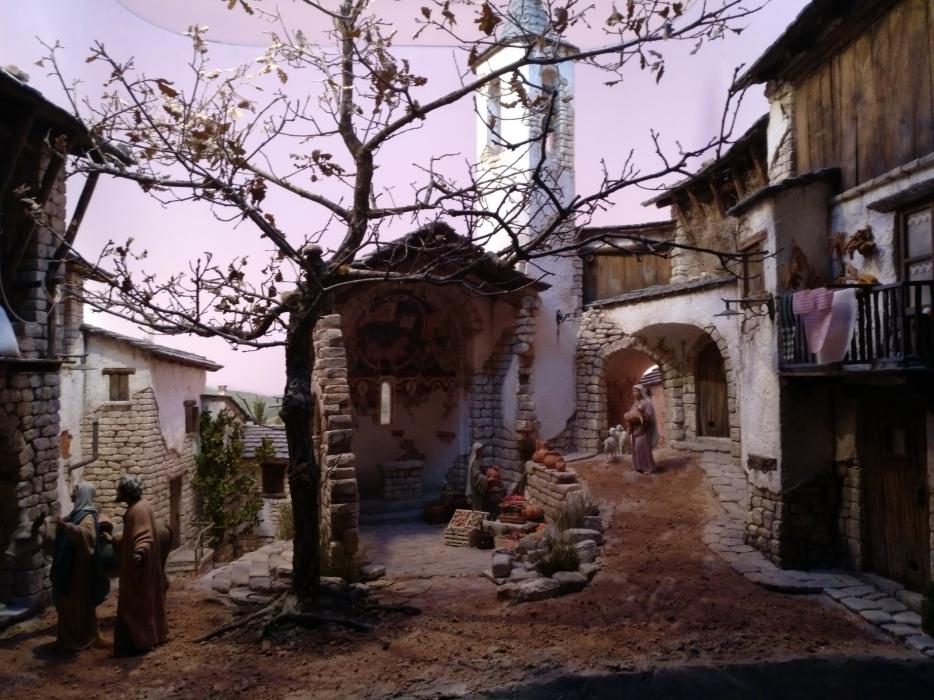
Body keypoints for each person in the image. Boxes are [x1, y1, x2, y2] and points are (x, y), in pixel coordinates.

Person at [111, 474, 169, 656]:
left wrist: (139, 552)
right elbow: (133, 534)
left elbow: (144, 536)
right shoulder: (139, 506)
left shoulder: (139, 510)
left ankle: (141, 640)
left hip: (138, 570)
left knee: (137, 604)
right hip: (137, 566)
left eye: (120, 490)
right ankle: (149, 636)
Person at [50, 482, 110, 651]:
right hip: (71, 565)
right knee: (67, 603)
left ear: (83, 495)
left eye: (75, 492)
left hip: (79, 570)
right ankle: (67, 637)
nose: (72, 495)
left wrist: (68, 528)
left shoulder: (88, 516)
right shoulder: (76, 514)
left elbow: (88, 536)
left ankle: (82, 638)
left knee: (78, 604)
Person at [626, 384, 659, 474]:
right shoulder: (635, 404)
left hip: (644, 429)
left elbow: (649, 417)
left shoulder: (647, 403)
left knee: (642, 447)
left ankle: (648, 467)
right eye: (633, 391)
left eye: (635, 391)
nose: (633, 393)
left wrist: (641, 415)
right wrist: (630, 421)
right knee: (636, 448)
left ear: (641, 392)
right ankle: (638, 466)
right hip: (635, 429)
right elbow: (630, 415)